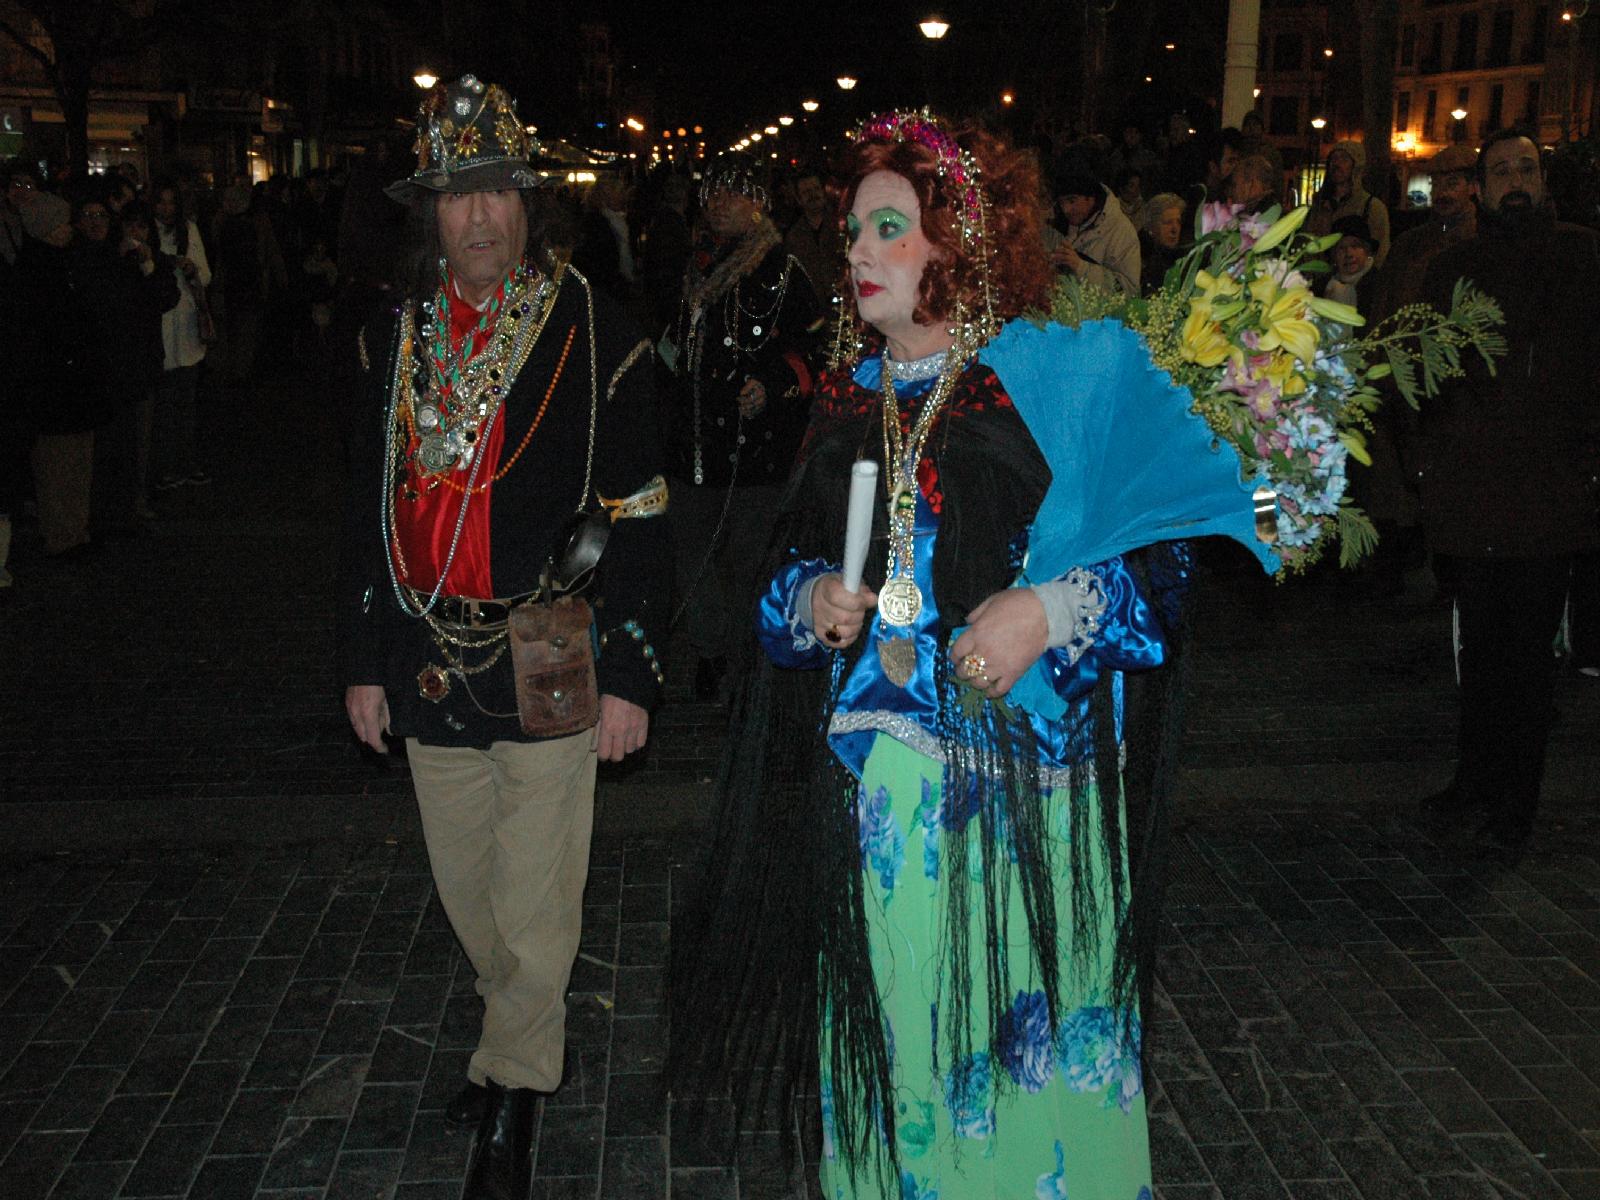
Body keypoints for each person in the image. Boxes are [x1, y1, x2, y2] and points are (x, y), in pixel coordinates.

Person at [670, 111, 1274, 1200]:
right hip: (887, 803)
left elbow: (1160, 574)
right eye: (852, 230)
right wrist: (807, 601)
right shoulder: (848, 401)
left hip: (1030, 805)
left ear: (958, 242)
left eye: (888, 227)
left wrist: (1047, 609)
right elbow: (780, 589)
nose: (858, 252)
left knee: (1022, 1043)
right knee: (904, 1031)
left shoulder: (1046, 379)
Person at [337, 75, 670, 1200]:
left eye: (495, 192)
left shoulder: (597, 330)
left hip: (551, 645)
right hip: (426, 652)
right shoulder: (390, 339)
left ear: (529, 204)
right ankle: (511, 1029)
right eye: (454, 195)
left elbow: (643, 513)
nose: (477, 215)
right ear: (429, 214)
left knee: (534, 889)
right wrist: (362, 660)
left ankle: (516, 1092)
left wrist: (631, 674)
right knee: (471, 887)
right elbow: (364, 511)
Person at [1417, 127, 1600, 854]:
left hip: (1548, 495)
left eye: (1527, 168)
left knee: (1528, 660)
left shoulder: (1583, 257)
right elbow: (1424, 374)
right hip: (1472, 494)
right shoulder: (1452, 269)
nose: (1515, 181)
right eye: (1501, 171)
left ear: (1544, 180)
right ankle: (1474, 781)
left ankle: (1514, 802)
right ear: (1480, 187)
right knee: (1480, 653)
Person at [664, 162, 820, 700]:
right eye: (712, 192)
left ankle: (748, 659)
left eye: (734, 193)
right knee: (694, 554)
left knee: (750, 558)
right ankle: (712, 649)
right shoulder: (693, 268)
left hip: (757, 453)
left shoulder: (782, 271)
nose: (720, 202)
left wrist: (773, 385)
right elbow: (672, 346)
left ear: (759, 204)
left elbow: (813, 349)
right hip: (693, 446)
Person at [151, 180, 212, 491]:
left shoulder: (188, 230)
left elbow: (206, 273)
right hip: (159, 324)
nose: (166, 209)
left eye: (171, 202)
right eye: (161, 202)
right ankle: (166, 466)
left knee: (185, 402)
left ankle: (186, 462)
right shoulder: (146, 230)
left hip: (185, 323)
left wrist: (189, 268)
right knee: (164, 403)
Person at [1047, 156, 1140, 295]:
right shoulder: (1053, 224)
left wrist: (1081, 267)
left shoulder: (1121, 231)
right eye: (1061, 202)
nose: (1066, 209)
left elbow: (1129, 292)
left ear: (1091, 198)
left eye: (1072, 201)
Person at [1307, 140, 1391, 268]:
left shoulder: (1372, 207)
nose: (1337, 164)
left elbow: (1380, 253)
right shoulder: (1320, 207)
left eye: (1344, 159)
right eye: (1334, 158)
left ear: (1356, 165)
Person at [786, 167, 845, 300]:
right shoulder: (794, 236)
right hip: (812, 303)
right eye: (806, 192)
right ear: (799, 199)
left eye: (816, 189)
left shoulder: (841, 225)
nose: (813, 195)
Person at [1138, 191, 1185, 296]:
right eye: (1168, 222)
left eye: (1178, 222)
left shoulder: (1183, 259)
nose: (1175, 229)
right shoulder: (1140, 260)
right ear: (1151, 226)